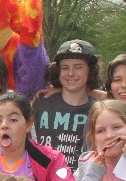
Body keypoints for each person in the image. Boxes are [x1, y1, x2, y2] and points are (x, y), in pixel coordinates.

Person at [33, 39, 101, 169]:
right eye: (65, 68)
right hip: (42, 176)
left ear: (91, 71)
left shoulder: (99, 110)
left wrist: (98, 94)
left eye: (78, 67)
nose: (70, 73)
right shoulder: (41, 102)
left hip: (80, 178)